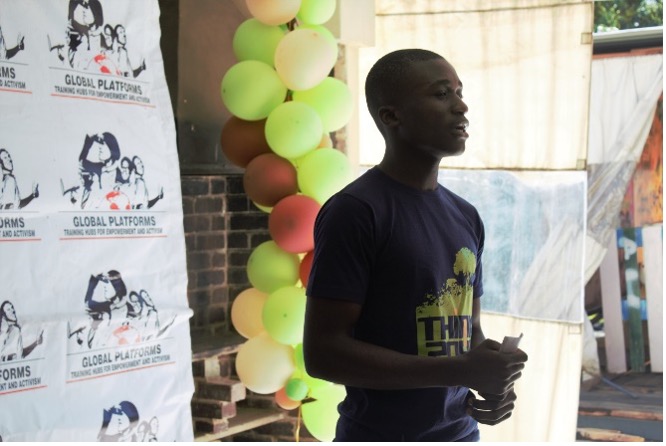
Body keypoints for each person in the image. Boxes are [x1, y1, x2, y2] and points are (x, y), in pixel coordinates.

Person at [303, 49, 528, 442]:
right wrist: (459, 370)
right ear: (391, 116)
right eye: (441, 94)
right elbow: (323, 354)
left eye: (459, 92)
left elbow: (467, 327)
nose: (461, 106)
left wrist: (492, 377)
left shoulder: (466, 216)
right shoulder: (355, 212)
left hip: (461, 433)